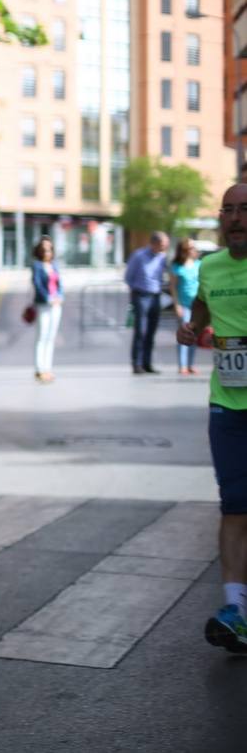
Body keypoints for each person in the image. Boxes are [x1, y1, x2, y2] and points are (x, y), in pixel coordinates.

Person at [176, 184, 247, 654]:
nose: (236, 218)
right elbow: (201, 310)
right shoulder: (209, 266)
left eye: (245, 210)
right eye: (229, 211)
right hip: (227, 406)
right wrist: (192, 325)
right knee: (235, 505)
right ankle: (236, 611)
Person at [124, 230, 169, 375]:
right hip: (141, 295)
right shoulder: (139, 256)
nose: (164, 247)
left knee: (151, 332)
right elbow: (128, 276)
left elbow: (163, 275)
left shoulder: (162, 257)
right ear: (154, 243)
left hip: (156, 295)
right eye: (163, 244)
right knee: (140, 331)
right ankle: (136, 363)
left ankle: (147, 363)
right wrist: (135, 291)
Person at [31, 236, 64, 384]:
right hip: (44, 304)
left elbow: (59, 284)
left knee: (51, 337)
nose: (47, 252)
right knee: (42, 336)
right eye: (44, 250)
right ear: (39, 251)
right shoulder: (37, 266)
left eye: (49, 249)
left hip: (56, 305)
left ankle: (48, 368)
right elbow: (37, 285)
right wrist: (49, 298)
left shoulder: (54, 265)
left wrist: (60, 296)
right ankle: (39, 369)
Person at [170, 238, 202, 377]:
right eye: (190, 248)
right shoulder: (177, 266)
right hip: (184, 305)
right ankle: (182, 365)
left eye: (193, 247)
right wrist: (176, 305)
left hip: (197, 306)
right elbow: (173, 288)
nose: (192, 250)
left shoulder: (199, 264)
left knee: (194, 335)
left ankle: (190, 364)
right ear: (183, 250)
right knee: (185, 334)